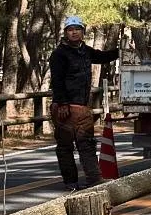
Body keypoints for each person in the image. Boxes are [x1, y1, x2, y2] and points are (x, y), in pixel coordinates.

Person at [49, 14, 118, 187]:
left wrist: (120, 51)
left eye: (77, 29)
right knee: (65, 146)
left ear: (83, 32)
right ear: (65, 33)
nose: (74, 33)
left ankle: (94, 179)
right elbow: (57, 81)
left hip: (81, 107)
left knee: (86, 144)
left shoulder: (85, 51)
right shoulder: (59, 54)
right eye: (70, 30)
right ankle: (70, 181)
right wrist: (63, 103)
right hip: (65, 106)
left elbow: (102, 57)